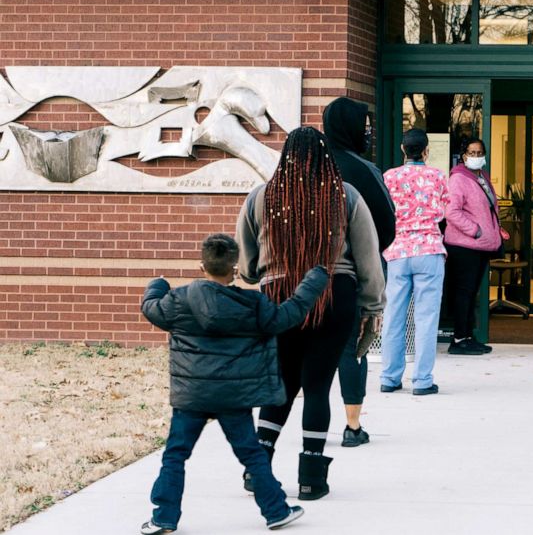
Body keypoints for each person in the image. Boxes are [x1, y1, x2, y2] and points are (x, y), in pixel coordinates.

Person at [139, 233, 328, 534]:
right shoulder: (252, 303)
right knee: (252, 453)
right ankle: (276, 511)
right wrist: (314, 282)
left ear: (201, 266)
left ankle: (164, 517)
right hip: (233, 397)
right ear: (235, 270)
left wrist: (158, 285)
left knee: (175, 454)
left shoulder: (178, 300)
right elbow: (287, 316)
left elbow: (150, 308)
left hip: (192, 395)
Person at [236, 127, 385, 501]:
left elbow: (248, 267)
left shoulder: (260, 197)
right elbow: (368, 259)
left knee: (281, 384)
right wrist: (372, 306)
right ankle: (312, 478)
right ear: (326, 157)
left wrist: (262, 272)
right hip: (336, 293)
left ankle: (258, 472)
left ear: (285, 156)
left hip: (280, 295)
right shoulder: (346, 196)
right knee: (317, 385)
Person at [322, 98, 394, 447]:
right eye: (365, 125)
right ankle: (352, 427)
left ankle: (278, 431)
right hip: (352, 275)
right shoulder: (363, 170)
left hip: (298, 277)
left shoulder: (304, 169)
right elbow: (387, 223)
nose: (368, 132)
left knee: (302, 354)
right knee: (352, 348)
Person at [379, 129, 449, 395]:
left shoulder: (390, 177)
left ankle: (389, 377)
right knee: (427, 318)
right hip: (429, 249)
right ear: (426, 150)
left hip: (398, 251)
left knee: (394, 316)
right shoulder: (437, 176)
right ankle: (421, 380)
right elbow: (444, 210)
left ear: (402, 149)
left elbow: (384, 210)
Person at [443, 136, 506, 355]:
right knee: (464, 293)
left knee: (471, 294)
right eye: (472, 153)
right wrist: (475, 230)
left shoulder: (481, 177)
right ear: (463, 156)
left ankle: (468, 336)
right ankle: (459, 339)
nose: (476, 157)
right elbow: (451, 211)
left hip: (479, 246)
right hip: (464, 246)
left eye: (480, 153)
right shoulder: (459, 179)